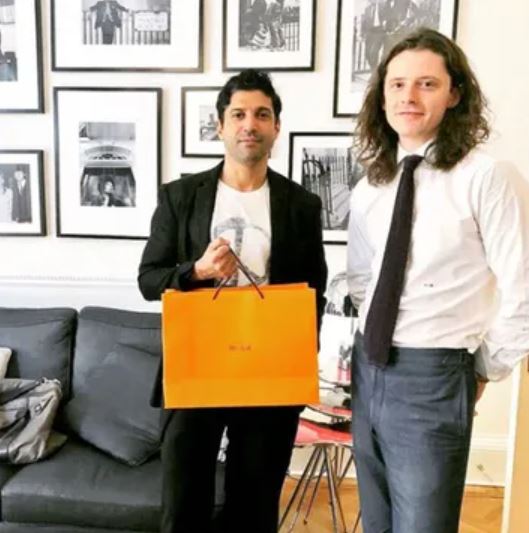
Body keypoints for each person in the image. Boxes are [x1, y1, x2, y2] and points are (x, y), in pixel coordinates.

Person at [347, 28, 529, 533]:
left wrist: (484, 367)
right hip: (368, 366)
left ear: (454, 95)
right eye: (397, 84)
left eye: (426, 84)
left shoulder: (487, 177)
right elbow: (362, 280)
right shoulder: (372, 184)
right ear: (382, 96)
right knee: (377, 522)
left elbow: (524, 288)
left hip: (433, 374)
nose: (409, 96)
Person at [138, 69, 327, 533]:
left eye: (262, 114)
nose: (250, 124)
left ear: (276, 127)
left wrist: (299, 361)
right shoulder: (181, 197)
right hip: (196, 365)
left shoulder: (301, 204)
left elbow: (314, 293)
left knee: (255, 506)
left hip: (269, 372)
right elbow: (148, 279)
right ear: (220, 126)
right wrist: (197, 271)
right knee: (183, 504)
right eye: (238, 114)